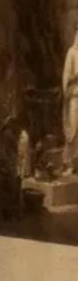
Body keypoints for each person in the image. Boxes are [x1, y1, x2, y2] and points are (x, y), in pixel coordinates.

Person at [65, 24, 78, 173]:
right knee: (73, 129)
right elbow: (67, 77)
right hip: (74, 96)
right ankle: (69, 164)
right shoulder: (72, 53)